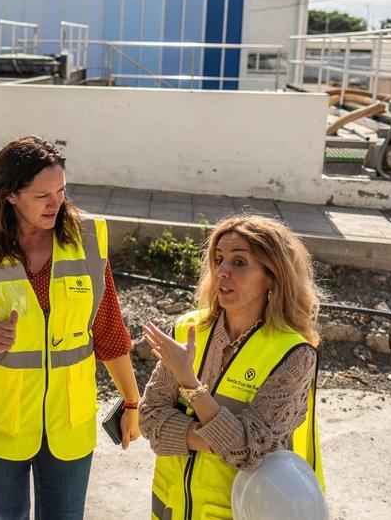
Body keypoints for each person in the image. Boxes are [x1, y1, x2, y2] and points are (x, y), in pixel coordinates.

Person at [0, 135, 141, 520]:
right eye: (42, 195)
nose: (56, 203)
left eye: (62, 191)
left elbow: (109, 330)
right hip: (1, 421)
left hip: (69, 422)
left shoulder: (87, 241)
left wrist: (131, 400)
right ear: (11, 196)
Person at [139, 214, 325, 520]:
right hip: (173, 508)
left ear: (272, 275)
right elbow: (149, 418)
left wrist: (189, 383)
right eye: (219, 259)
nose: (222, 271)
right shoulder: (189, 328)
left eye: (239, 262)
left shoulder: (294, 354)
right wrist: (216, 442)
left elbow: (249, 451)